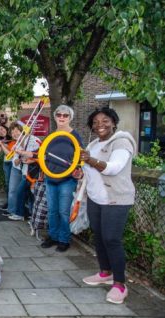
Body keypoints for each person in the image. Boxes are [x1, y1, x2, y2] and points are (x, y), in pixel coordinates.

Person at [78, 107, 135, 304]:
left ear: (113, 122)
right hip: (96, 199)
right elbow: (89, 170)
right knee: (99, 237)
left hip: (116, 200)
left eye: (105, 121)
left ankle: (120, 284)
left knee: (112, 239)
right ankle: (105, 272)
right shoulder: (94, 143)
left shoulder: (121, 142)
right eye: (95, 122)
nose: (99, 125)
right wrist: (81, 171)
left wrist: (90, 160)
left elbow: (113, 168)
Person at [41, 105, 83, 252]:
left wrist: (77, 169)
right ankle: (53, 236)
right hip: (50, 178)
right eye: (59, 114)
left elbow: (80, 157)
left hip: (67, 180)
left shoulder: (75, 136)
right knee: (52, 210)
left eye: (65, 115)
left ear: (70, 118)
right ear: (55, 117)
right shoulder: (50, 136)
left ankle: (64, 239)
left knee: (63, 211)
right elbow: (42, 155)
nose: (62, 117)